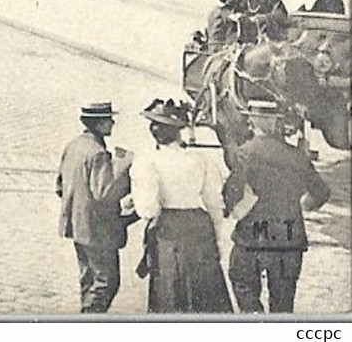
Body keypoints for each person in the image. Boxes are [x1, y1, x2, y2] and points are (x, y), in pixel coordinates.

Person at [222, 97, 332, 313]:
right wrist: (302, 205)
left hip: (252, 237)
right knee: (283, 304)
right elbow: (321, 192)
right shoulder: (297, 157)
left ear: (252, 121)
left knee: (243, 285)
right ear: (276, 123)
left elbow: (231, 193)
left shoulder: (244, 153)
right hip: (289, 239)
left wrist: (233, 209)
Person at [131, 99, 232, 312]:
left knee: (171, 290)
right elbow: (214, 203)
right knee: (205, 292)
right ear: (179, 131)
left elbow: (147, 209)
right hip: (199, 228)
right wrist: (217, 239)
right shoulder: (201, 159)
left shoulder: (147, 161)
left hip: (169, 230)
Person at [55, 101, 134, 313]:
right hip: (98, 231)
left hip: (78, 227)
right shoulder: (98, 153)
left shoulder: (73, 145)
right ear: (99, 124)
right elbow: (105, 194)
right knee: (106, 283)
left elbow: (60, 186)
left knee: (89, 280)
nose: (113, 122)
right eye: (109, 120)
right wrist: (122, 165)